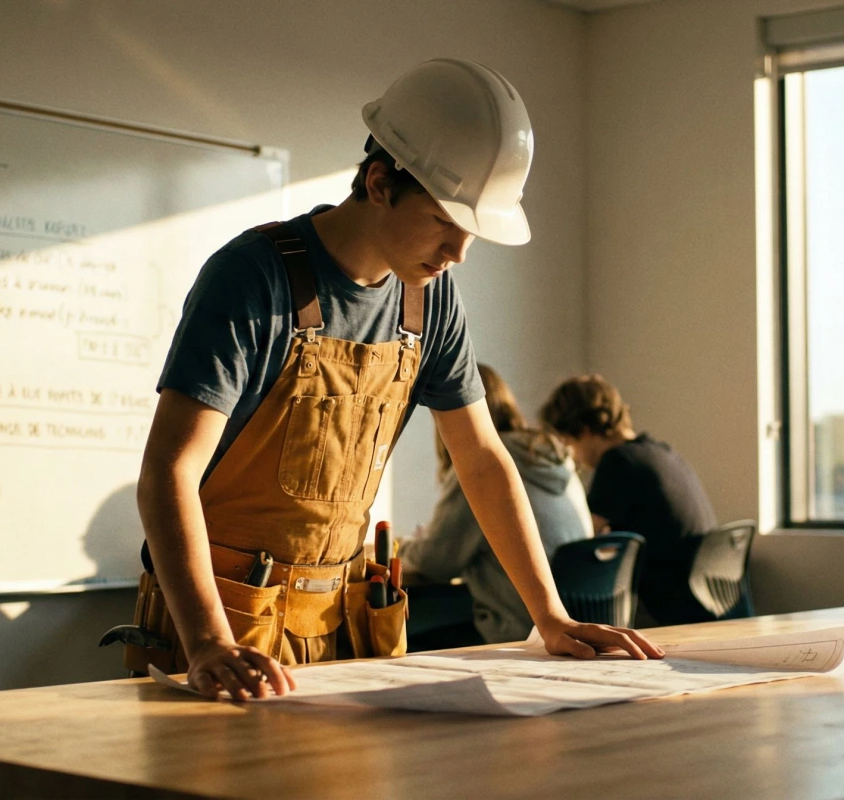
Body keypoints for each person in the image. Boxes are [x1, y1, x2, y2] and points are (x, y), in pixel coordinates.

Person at [134, 59, 661, 702]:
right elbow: (169, 470)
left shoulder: (429, 302)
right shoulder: (251, 279)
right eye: (444, 222)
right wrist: (208, 641)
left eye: (470, 233)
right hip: (221, 631)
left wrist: (548, 617)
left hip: (342, 632)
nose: (457, 254)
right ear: (380, 183)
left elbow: (484, 461)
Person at [402, 363, 593, 645]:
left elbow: (437, 561)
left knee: (403, 630)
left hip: (518, 626)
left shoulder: (483, 465)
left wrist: (401, 546)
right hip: (576, 618)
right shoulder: (555, 458)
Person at [539, 375, 719, 626]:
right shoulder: (661, 451)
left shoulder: (618, 461)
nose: (574, 457)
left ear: (584, 430)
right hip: (705, 597)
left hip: (666, 606)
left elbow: (581, 537)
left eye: (568, 443)